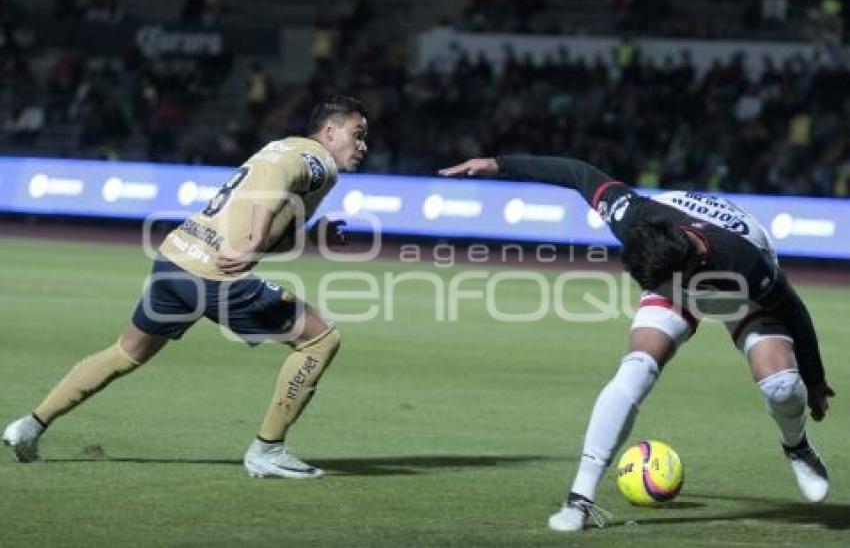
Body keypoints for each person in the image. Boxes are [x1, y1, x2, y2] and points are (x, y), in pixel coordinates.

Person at [439, 155, 834, 531]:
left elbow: (794, 310)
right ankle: (579, 498)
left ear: (686, 267)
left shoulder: (744, 262)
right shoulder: (633, 217)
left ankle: (796, 446)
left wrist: (814, 382)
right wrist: (498, 164)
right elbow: (578, 173)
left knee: (782, 386)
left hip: (737, 294)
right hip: (682, 269)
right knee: (636, 369)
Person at [3, 95, 369, 479]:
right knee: (320, 339)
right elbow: (271, 188)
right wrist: (255, 242)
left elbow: (271, 218)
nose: (362, 145)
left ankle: (29, 425)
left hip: (177, 257)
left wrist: (310, 237)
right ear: (330, 130)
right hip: (212, 275)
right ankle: (268, 449)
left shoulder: (283, 148)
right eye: (357, 134)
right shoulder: (317, 160)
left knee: (126, 353)